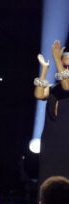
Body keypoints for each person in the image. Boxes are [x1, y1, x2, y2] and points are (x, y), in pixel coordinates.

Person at [34, 40, 69, 182]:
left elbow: (67, 86)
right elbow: (39, 94)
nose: (66, 68)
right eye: (65, 65)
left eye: (68, 66)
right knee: (47, 180)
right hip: (50, 143)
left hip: (66, 144)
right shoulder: (55, 88)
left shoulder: (67, 87)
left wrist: (57, 59)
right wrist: (44, 69)